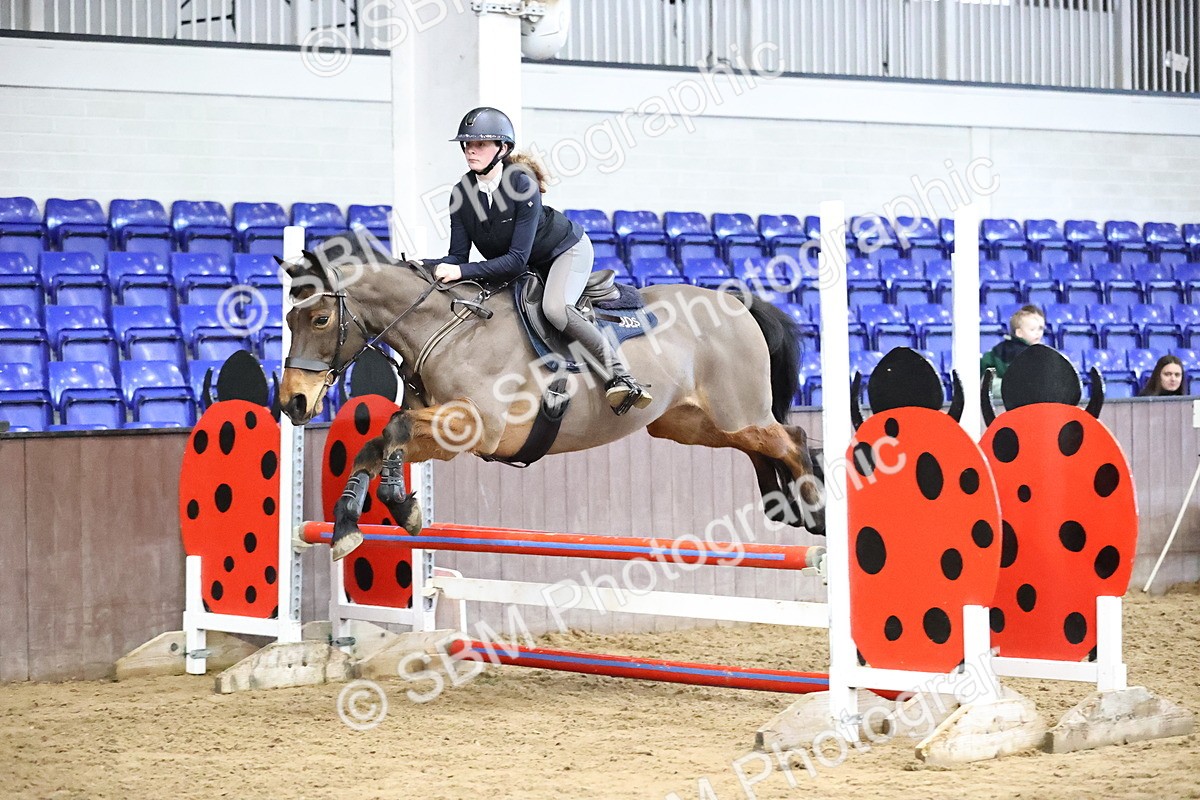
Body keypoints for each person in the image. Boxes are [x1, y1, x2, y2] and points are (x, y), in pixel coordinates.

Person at [424, 106, 652, 415]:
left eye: (480, 144)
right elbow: (457, 257)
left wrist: (460, 270)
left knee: (555, 309)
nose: (470, 150)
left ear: (502, 148)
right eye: (467, 144)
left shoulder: (521, 183)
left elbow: (515, 261)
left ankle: (621, 375)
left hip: (565, 251)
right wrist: (425, 268)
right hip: (527, 261)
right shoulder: (461, 194)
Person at [980, 304, 1046, 382]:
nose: (1038, 333)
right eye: (1032, 329)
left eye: (1040, 329)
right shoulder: (1028, 354)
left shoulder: (1042, 352)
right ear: (1019, 333)